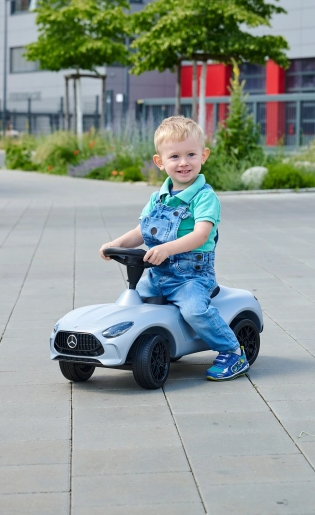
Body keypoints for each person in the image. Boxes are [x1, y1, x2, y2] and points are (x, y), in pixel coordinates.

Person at [99, 116, 249, 381]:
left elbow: (201, 235)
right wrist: (117, 244)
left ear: (203, 156)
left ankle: (233, 352)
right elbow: (141, 232)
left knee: (195, 310)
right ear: (160, 162)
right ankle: (132, 345)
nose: (183, 163)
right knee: (130, 305)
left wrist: (167, 249)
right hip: (157, 275)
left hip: (192, 277)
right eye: (175, 156)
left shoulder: (205, 197)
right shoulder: (157, 199)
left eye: (191, 154)